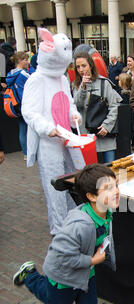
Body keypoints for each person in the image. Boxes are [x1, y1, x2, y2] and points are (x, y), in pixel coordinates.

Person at [12, 163, 120, 304]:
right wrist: (93, 261)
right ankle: (30, 275)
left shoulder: (106, 213)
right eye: (109, 188)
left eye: (116, 186)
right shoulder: (79, 226)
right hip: (64, 275)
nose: (116, 192)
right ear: (92, 196)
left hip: (86, 273)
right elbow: (62, 258)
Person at [21, 28, 82, 237]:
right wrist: (48, 128)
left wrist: (74, 115)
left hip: (67, 137)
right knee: (55, 186)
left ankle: (74, 222)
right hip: (49, 142)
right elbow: (28, 111)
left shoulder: (62, 79)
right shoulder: (36, 79)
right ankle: (59, 229)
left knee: (74, 179)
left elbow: (69, 102)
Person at [73, 51, 120, 163]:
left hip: (104, 134)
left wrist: (106, 126)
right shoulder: (76, 85)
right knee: (90, 171)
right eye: (78, 67)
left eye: (84, 65)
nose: (81, 69)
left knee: (109, 169)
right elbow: (76, 104)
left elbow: (113, 106)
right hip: (87, 135)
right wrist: (82, 87)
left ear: (90, 65)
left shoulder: (104, 83)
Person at [6, 51, 35, 160]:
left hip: (16, 105)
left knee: (22, 129)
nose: (28, 62)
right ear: (19, 61)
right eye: (25, 60)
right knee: (31, 129)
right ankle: (31, 153)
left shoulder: (11, 74)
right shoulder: (23, 74)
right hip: (26, 104)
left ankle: (26, 153)